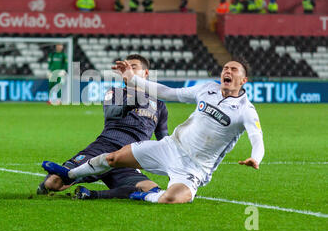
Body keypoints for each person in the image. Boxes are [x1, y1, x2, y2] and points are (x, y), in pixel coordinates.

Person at [43, 57, 265, 204]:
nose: (227, 71)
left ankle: (144, 197)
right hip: (170, 147)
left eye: (233, 69)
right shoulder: (208, 89)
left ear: (243, 80)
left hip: (195, 167)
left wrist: (255, 158)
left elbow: (257, 138)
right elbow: (169, 92)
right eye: (225, 67)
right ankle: (69, 175)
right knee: (113, 158)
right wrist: (133, 79)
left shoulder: (246, 111)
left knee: (172, 198)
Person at [38, 54, 169, 200]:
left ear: (145, 73)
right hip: (103, 149)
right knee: (54, 183)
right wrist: (132, 102)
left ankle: (91, 195)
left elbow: (164, 142)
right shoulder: (115, 92)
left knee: (151, 189)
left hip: (128, 159)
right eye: (126, 68)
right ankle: (46, 185)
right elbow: (111, 113)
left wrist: (173, 169)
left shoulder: (159, 105)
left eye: (133, 67)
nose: (129, 71)